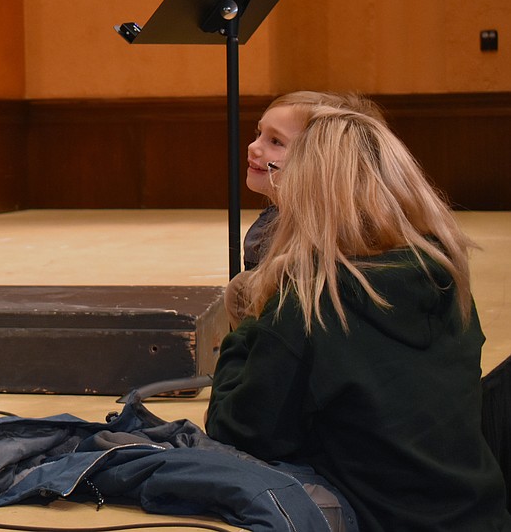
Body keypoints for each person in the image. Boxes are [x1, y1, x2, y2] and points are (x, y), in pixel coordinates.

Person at [206, 103, 511, 531]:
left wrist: (248, 327)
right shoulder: (444, 280)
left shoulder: (310, 302)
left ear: (307, 191)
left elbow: (237, 432)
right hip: (482, 515)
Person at [241, 91, 385, 272]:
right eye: (259, 133)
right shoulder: (264, 231)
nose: (253, 147)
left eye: (276, 141)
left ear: (323, 161)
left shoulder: (351, 239)